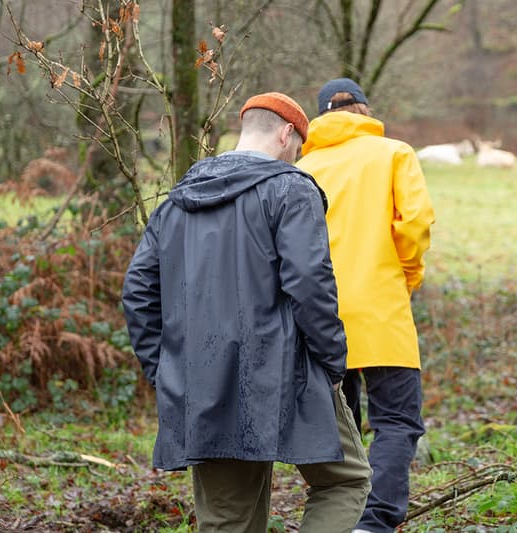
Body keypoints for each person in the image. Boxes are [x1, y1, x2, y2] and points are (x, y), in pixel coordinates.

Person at [122, 91, 371, 533]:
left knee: (227, 521)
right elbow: (310, 283)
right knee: (345, 481)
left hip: (202, 379)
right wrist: (333, 359)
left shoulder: (177, 201)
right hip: (287, 370)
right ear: (286, 133)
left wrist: (165, 369)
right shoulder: (290, 189)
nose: (296, 158)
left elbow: (139, 290)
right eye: (298, 149)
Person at [297, 78, 435, 533]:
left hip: (319, 317)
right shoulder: (394, 153)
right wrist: (405, 280)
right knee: (396, 420)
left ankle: (341, 517)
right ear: (364, 109)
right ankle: (374, 523)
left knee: (343, 423)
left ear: (320, 117)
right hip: (381, 311)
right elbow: (413, 226)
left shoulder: (303, 167)